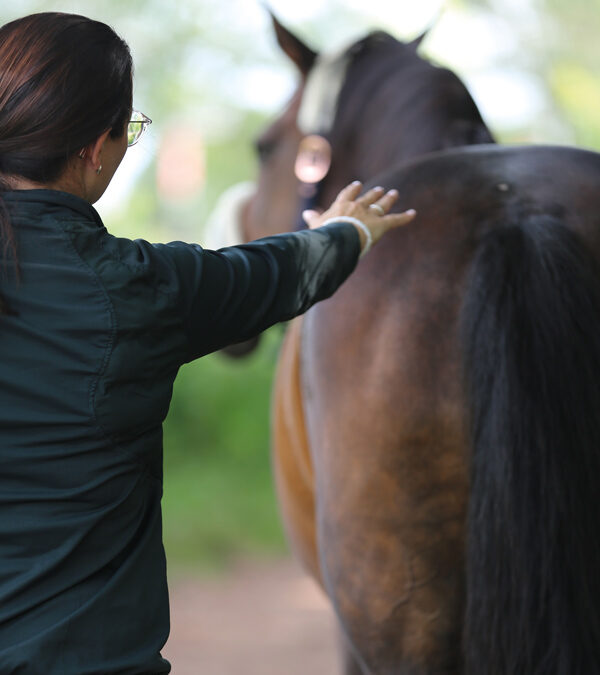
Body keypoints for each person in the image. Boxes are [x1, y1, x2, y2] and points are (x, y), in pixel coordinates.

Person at [0, 12, 416, 674]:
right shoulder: (137, 288)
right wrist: (351, 230)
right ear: (92, 148)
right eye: (127, 131)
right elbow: (276, 274)